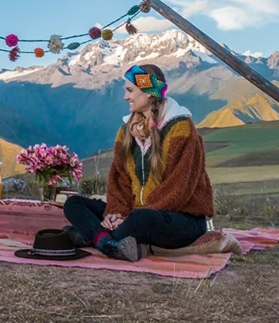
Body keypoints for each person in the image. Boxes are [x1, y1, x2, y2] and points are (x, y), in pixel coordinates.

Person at [63, 64, 214, 262]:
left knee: (142, 219)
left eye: (130, 90)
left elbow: (179, 189)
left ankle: (90, 235)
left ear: (149, 93)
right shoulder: (126, 132)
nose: (126, 97)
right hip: (134, 213)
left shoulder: (181, 129)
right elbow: (120, 182)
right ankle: (108, 242)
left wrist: (130, 217)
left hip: (180, 218)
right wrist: (116, 213)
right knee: (73, 204)